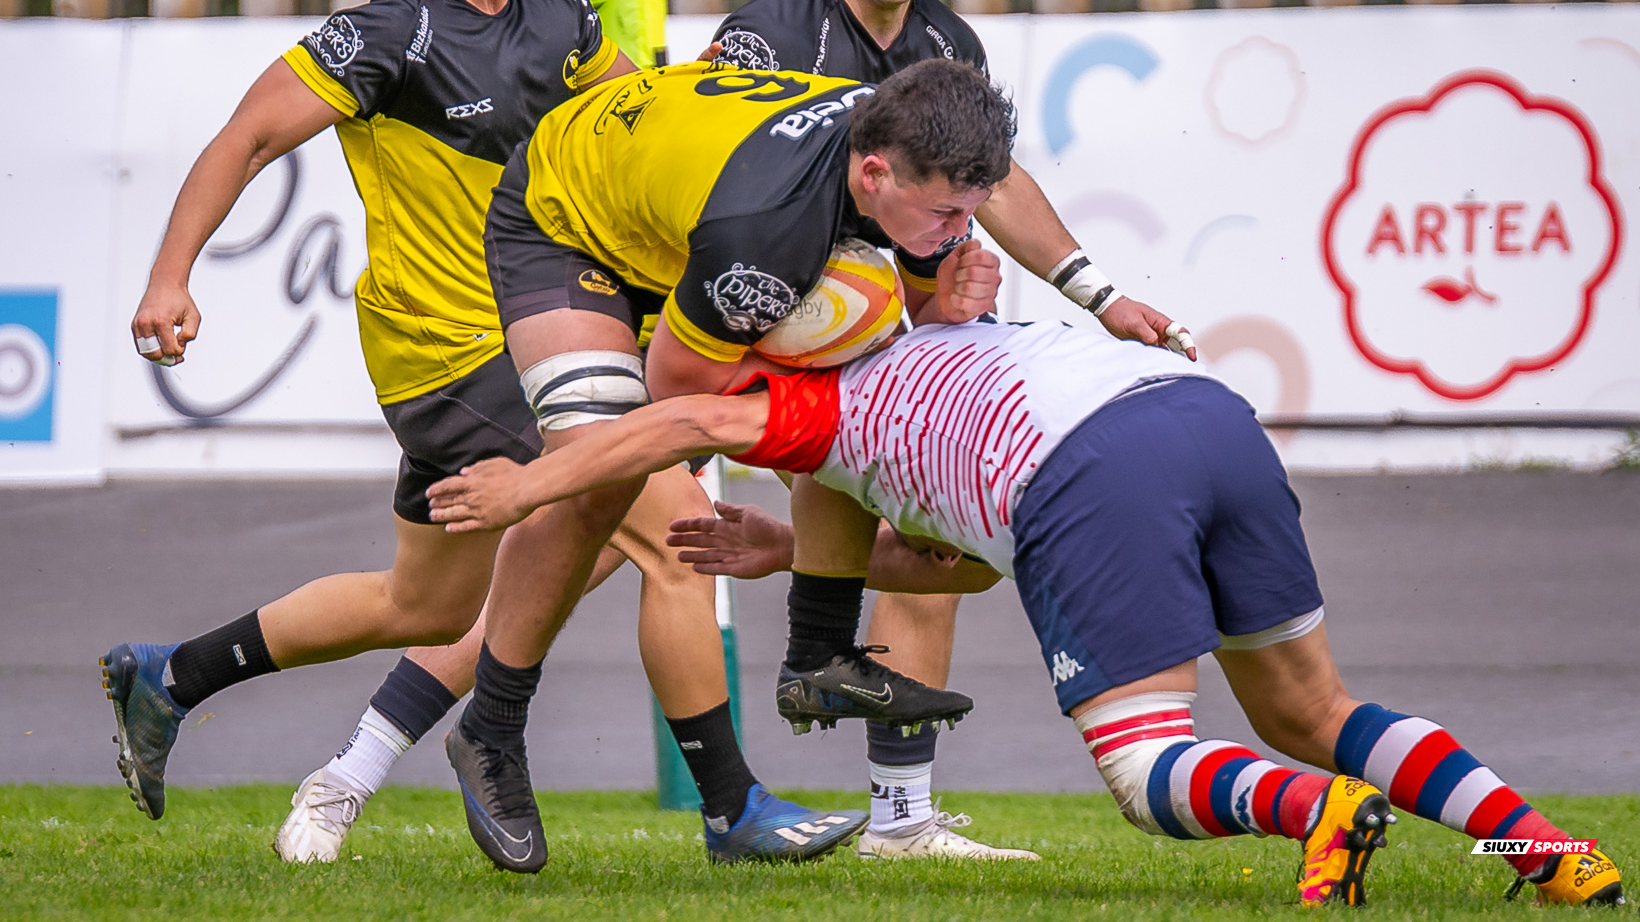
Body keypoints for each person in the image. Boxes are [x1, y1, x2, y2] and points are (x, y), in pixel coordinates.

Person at [104, 0, 864, 871]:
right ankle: (731, 809)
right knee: (677, 538)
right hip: (451, 349)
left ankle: (169, 676)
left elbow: (634, 116)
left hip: (540, 334)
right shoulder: (387, 35)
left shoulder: (558, 5)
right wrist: (170, 278)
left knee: (423, 600)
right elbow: (244, 140)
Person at [425, 317, 1628, 909]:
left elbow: (680, 424)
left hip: (1086, 470)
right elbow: (968, 571)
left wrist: (528, 480)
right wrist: (794, 551)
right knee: (1312, 703)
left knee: (1147, 770)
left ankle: (1321, 814)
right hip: (1202, 413)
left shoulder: (800, 408)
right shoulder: (933, 341)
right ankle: (1550, 852)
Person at [696, 0, 1192, 860]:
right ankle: (411, 736)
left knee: (933, 535)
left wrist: (1099, 297)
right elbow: (723, 205)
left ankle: (901, 818)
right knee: (564, 547)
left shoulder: (946, 45)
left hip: (877, 341)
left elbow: (994, 184)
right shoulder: (765, 37)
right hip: (734, 324)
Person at [438, 55, 1024, 867]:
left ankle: (817, 653)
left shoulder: (909, 156)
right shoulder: (769, 233)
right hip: (564, 221)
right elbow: (680, 393)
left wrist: (953, 299)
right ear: (876, 175)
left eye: (969, 216)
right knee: (609, 483)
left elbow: (919, 323)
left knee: (849, 404)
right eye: (942, 218)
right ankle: (493, 730)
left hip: (677, 214)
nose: (955, 233)